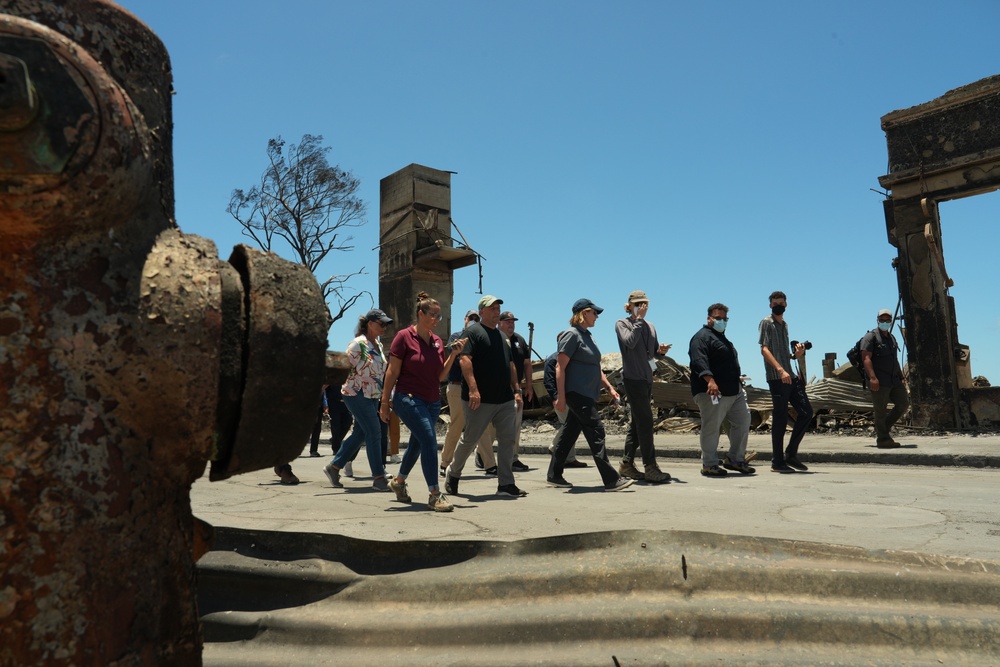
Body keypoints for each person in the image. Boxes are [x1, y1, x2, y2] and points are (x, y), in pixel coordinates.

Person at [380, 292, 464, 512]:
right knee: (428, 439)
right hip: (407, 398)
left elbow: (439, 376)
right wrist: (385, 402)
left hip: (432, 401)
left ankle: (398, 482)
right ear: (420, 313)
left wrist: (453, 356)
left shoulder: (437, 342)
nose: (437, 319)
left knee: (418, 443)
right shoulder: (404, 337)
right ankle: (435, 494)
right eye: (433, 315)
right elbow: (392, 371)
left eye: (439, 316)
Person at [547, 298, 635, 492]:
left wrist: (609, 388)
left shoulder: (588, 336)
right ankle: (611, 479)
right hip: (576, 393)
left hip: (587, 393)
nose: (597, 317)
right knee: (596, 431)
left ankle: (554, 474)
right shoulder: (571, 335)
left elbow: (595, 367)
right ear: (584, 313)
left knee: (569, 433)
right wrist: (561, 397)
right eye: (594, 313)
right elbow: (560, 367)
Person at [445, 295, 528, 498]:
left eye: (498, 308)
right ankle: (453, 474)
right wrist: (473, 389)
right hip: (480, 399)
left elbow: (510, 365)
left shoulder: (502, 337)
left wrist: (517, 390)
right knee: (470, 439)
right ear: (482, 312)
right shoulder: (473, 332)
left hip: (504, 398)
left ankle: (506, 484)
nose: (496, 311)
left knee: (508, 440)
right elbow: (465, 360)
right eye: (492, 308)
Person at [324, 309, 393, 490]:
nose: (384, 327)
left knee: (361, 433)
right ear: (370, 324)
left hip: (373, 395)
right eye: (381, 324)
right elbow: (342, 367)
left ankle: (334, 467)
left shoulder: (378, 344)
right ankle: (379, 477)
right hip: (356, 393)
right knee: (374, 431)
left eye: (386, 324)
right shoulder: (358, 344)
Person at [689, 303, 754, 477]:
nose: (722, 321)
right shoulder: (701, 337)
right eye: (718, 318)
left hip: (734, 390)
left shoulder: (722, 338)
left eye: (725, 319)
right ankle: (709, 464)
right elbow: (699, 361)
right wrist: (710, 381)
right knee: (711, 427)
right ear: (709, 318)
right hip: (713, 392)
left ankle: (735, 459)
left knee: (743, 421)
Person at [615, 290, 671, 483]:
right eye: (638, 304)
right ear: (629, 306)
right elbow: (630, 342)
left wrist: (660, 352)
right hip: (633, 379)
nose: (641, 307)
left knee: (637, 422)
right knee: (646, 422)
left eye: (644, 303)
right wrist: (638, 320)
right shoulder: (622, 323)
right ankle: (650, 466)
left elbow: (652, 354)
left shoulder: (650, 326)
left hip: (647, 379)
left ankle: (627, 463)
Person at [759, 290, 813, 473]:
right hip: (777, 378)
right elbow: (764, 349)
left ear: (786, 305)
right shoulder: (767, 323)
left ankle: (791, 454)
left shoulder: (785, 325)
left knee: (806, 412)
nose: (778, 306)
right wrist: (780, 370)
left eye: (781, 303)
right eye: (775, 304)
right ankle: (777, 461)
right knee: (780, 418)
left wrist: (795, 355)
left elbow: (783, 353)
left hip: (790, 376)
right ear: (770, 305)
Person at [441, 309, 497, 476]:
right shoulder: (456, 337)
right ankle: (445, 463)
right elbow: (457, 360)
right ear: (465, 319)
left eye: (476, 318)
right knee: (457, 425)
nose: (473, 320)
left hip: (475, 388)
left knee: (482, 426)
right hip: (458, 386)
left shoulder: (480, 338)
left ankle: (489, 464)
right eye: (470, 318)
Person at [862, 309, 909, 448]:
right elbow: (866, 358)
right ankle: (883, 439)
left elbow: (894, 360)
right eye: (882, 320)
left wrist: (901, 377)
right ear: (877, 320)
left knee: (903, 404)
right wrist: (873, 378)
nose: (885, 322)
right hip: (879, 381)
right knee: (880, 410)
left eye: (887, 320)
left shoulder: (891, 338)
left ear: (891, 321)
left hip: (894, 380)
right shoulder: (870, 337)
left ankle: (882, 429)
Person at [497, 310, 532, 472]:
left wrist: (529, 386)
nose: (511, 324)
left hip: (515, 390)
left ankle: (513, 458)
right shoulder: (494, 338)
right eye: (507, 322)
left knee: (515, 425)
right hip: (495, 388)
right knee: (489, 426)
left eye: (512, 322)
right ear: (499, 323)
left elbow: (527, 364)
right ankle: (483, 455)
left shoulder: (520, 340)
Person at [543, 350, 584, 467]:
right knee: (569, 425)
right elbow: (548, 381)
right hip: (561, 399)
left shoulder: (571, 358)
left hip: (572, 397)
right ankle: (555, 447)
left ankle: (569, 458)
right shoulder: (553, 359)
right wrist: (555, 398)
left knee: (572, 426)